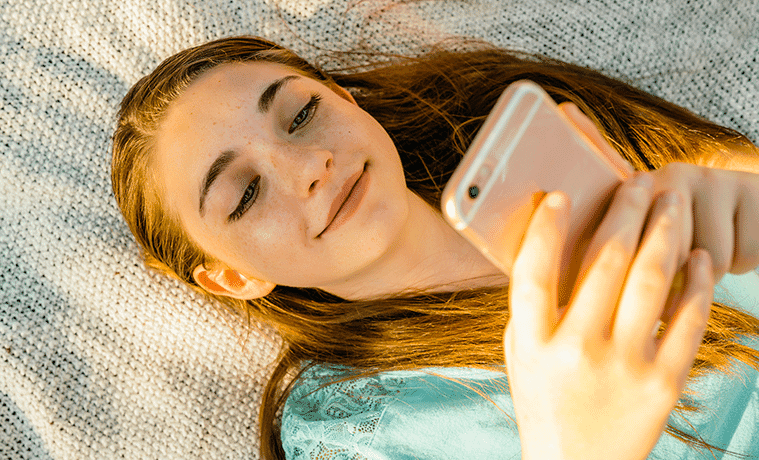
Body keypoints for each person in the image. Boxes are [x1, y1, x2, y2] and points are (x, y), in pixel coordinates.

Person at [111, 36, 759, 459]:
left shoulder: (543, 132)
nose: (309, 166)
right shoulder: (340, 432)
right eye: (246, 192)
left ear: (345, 99)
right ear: (232, 278)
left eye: (301, 114)